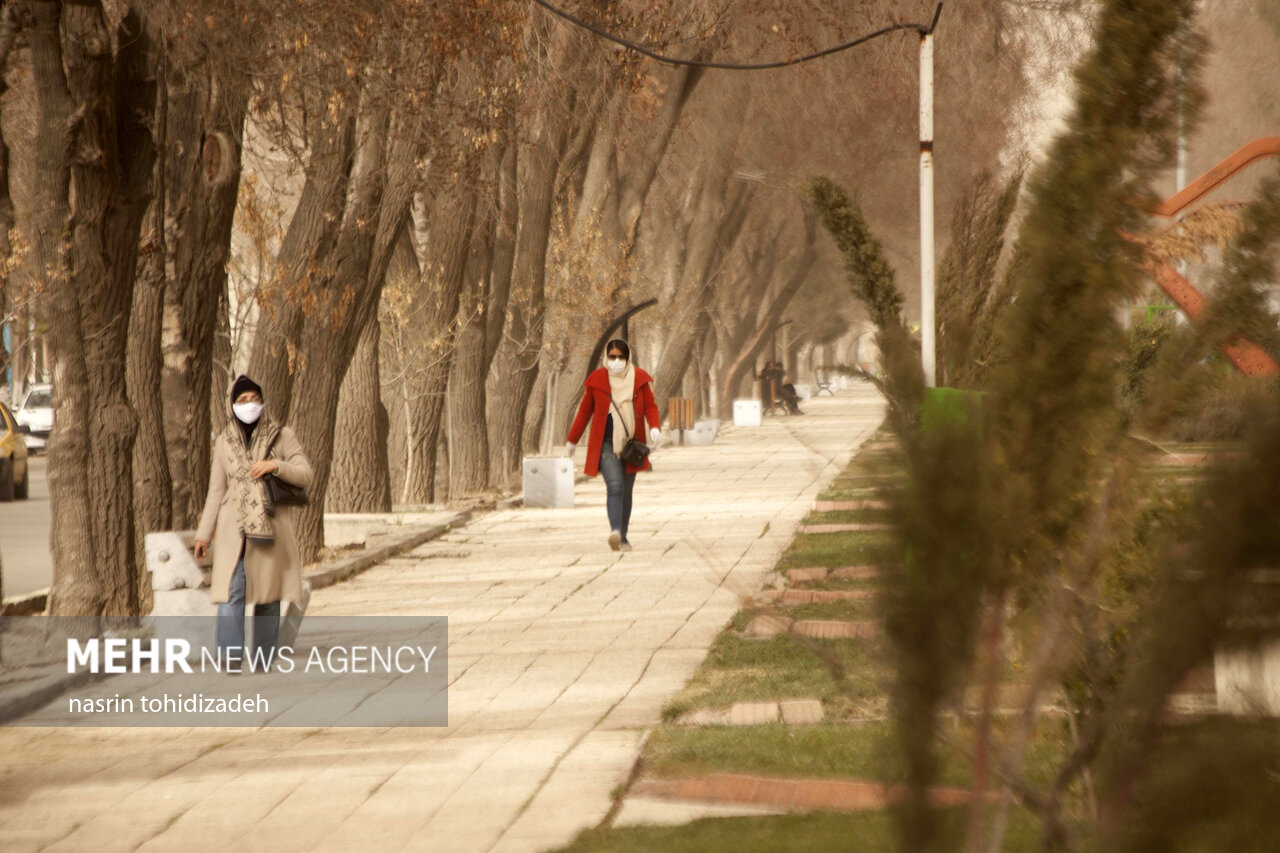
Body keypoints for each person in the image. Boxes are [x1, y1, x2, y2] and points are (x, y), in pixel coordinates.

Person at [194, 375, 313, 671]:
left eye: (254, 399)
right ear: (233, 405)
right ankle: (231, 658)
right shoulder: (224, 442)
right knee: (233, 591)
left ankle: (262, 659)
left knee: (269, 596)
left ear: (262, 401)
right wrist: (203, 535)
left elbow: (305, 473)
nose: (249, 405)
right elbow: (216, 491)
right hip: (235, 531)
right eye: (242, 400)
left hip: (270, 532)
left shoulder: (282, 436)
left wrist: (276, 465)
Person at [566, 340, 661, 552]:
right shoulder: (597, 380)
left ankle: (624, 537)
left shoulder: (639, 379)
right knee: (615, 486)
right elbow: (584, 412)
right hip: (605, 444)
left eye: (621, 357)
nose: (616, 361)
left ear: (627, 359)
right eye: (612, 357)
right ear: (606, 358)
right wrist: (572, 439)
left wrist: (654, 427)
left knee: (627, 491)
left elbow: (650, 406)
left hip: (631, 445)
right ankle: (615, 531)